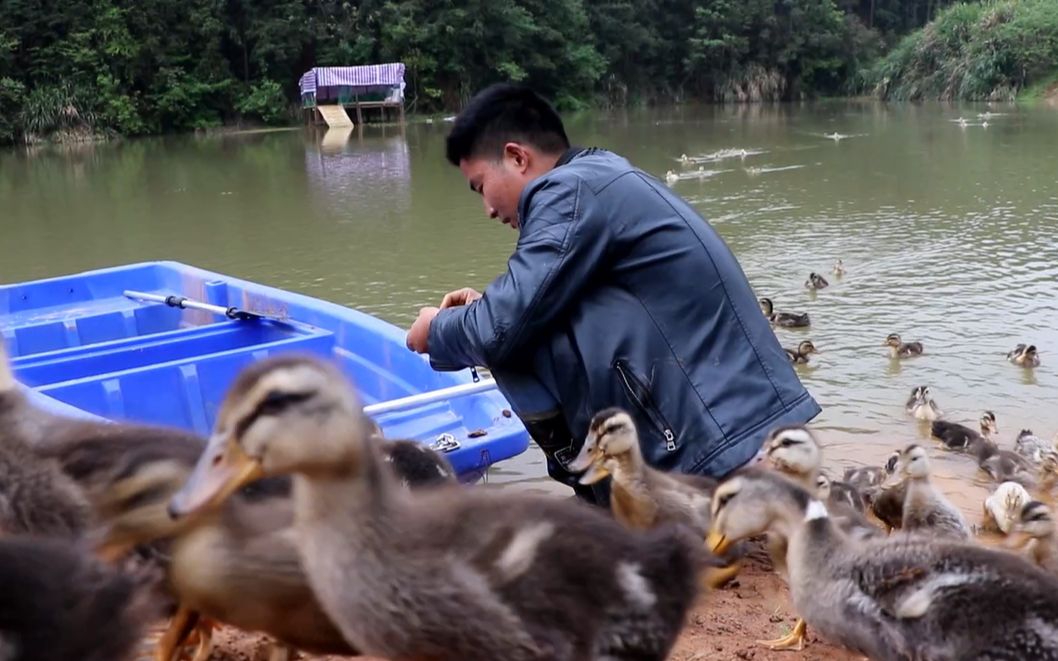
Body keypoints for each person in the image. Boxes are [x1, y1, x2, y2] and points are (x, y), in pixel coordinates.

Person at [406, 83, 819, 503]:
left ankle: (610, 497)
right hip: (742, 426)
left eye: (480, 187)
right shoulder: (598, 177)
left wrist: (436, 329)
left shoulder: (566, 192)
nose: (489, 210)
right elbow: (519, 308)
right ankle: (614, 492)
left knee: (509, 345)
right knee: (517, 325)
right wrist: (482, 314)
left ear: (517, 157)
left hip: (724, 444)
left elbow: (499, 328)